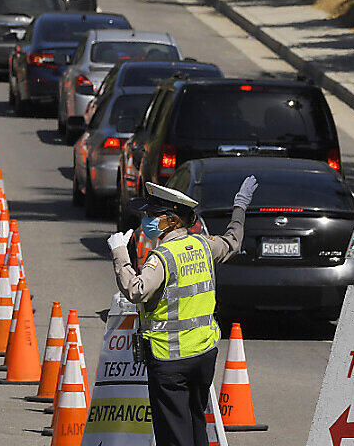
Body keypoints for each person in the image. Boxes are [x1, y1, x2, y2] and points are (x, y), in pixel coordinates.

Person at [106, 176, 258, 446]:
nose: (147, 220)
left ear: (173, 220)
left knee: (174, 435)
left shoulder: (162, 257)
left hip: (170, 360)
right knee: (195, 423)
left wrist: (120, 254)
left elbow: (136, 291)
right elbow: (233, 241)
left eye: (154, 215)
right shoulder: (203, 245)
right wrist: (240, 206)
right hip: (203, 355)